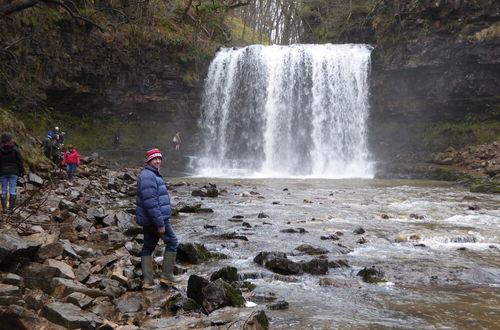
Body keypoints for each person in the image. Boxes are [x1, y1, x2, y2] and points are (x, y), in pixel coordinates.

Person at [135, 148, 181, 289]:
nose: (158, 161)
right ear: (148, 161)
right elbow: (151, 203)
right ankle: (166, 276)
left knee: (148, 247)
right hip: (155, 219)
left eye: (159, 158)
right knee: (172, 242)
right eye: (154, 159)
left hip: (149, 219)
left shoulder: (150, 174)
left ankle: (148, 281)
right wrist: (160, 223)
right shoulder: (149, 176)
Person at [0, 133, 24, 214]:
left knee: (3, 189)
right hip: (14, 171)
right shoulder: (15, 149)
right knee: (12, 189)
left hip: (2, 171)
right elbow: (20, 161)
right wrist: (22, 171)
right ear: (10, 139)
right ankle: (11, 209)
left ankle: (4, 210)